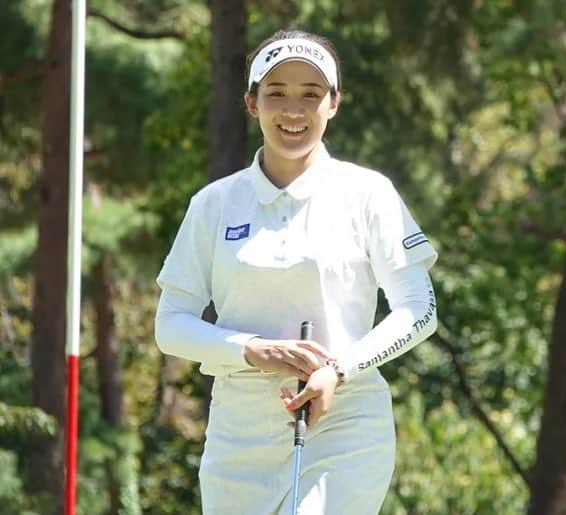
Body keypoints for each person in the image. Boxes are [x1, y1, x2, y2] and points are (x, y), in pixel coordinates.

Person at [154, 29, 438, 515]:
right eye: (276, 93)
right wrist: (252, 349)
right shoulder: (214, 204)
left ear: (333, 104)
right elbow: (171, 324)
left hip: (345, 421)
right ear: (251, 102)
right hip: (238, 435)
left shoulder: (367, 194)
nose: (293, 111)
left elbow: (420, 309)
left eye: (311, 95)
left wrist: (338, 369)